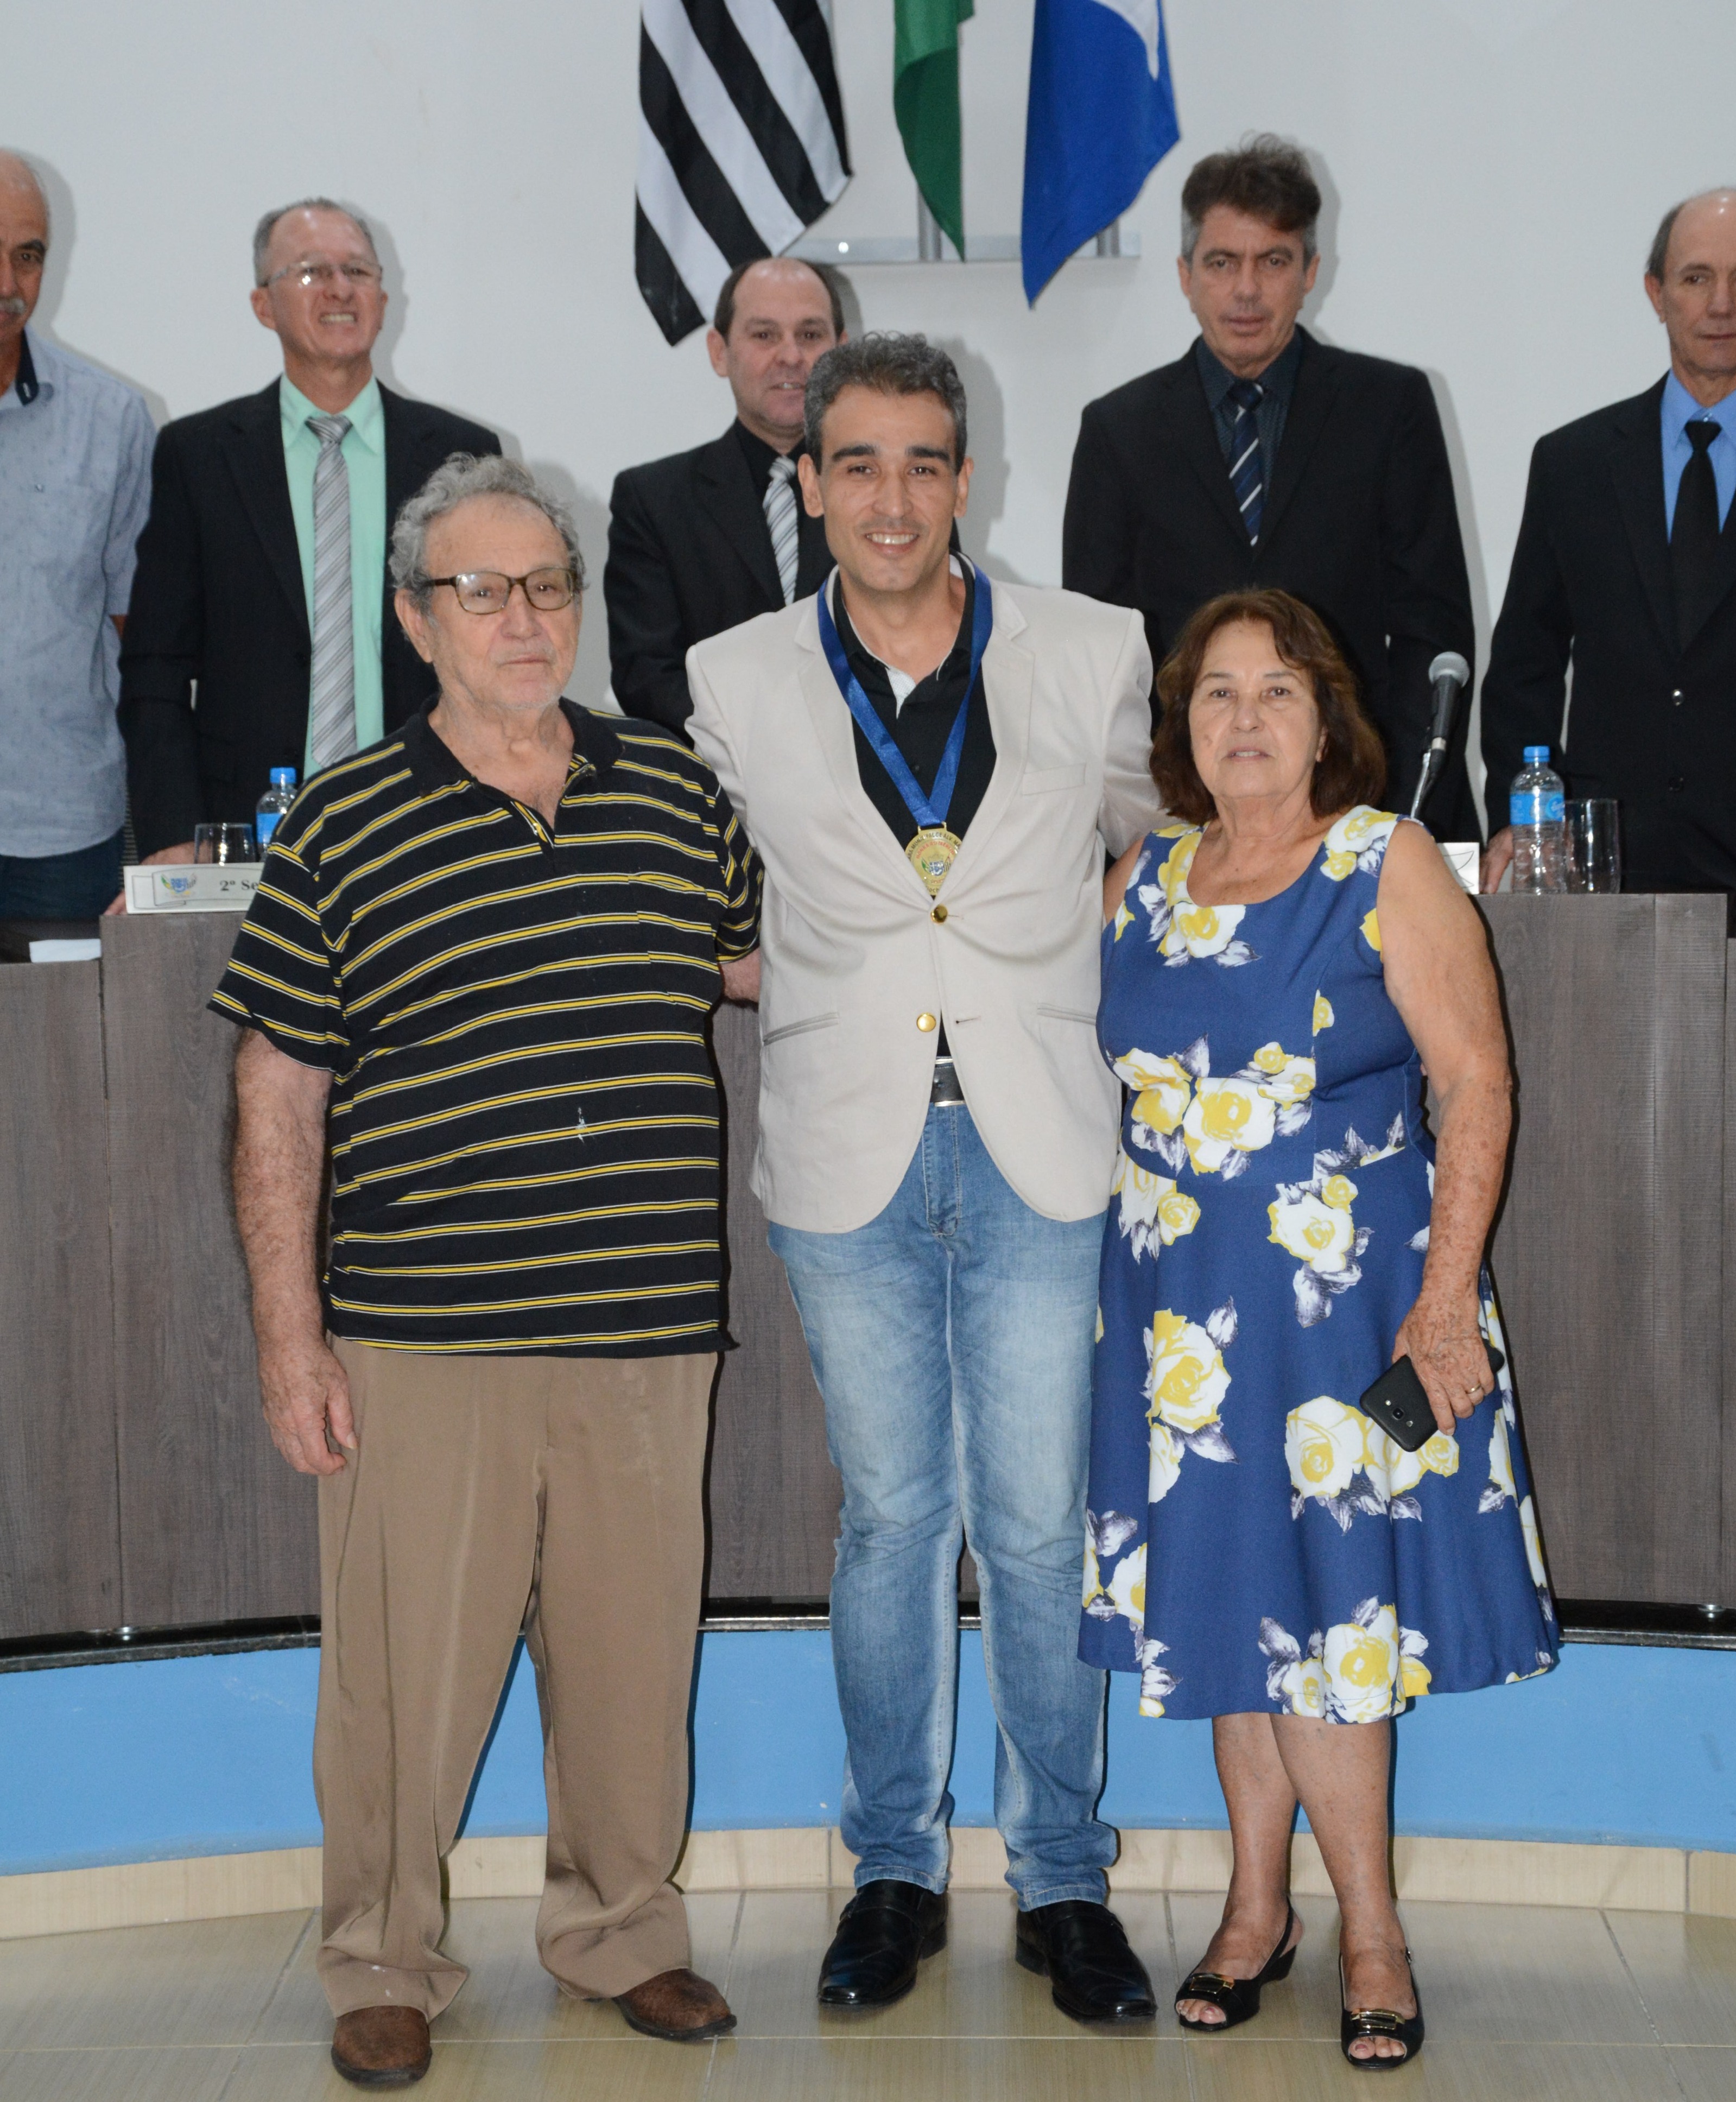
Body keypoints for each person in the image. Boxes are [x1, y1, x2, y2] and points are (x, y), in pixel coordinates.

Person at [210, 455, 756, 2087]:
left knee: (630, 1665)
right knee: (399, 1682)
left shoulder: (674, 792)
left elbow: (767, 970)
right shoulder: (343, 823)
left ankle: (623, 1935)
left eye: (547, 585)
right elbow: (276, 1092)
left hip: (645, 1326)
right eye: (481, 589)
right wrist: (290, 1340)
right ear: (414, 619)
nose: (522, 619)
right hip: (422, 1331)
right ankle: (380, 1957)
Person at [687, 334, 1163, 2024]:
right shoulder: (731, 675)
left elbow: (1153, 839)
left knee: (1033, 1519)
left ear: (968, 480)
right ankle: (890, 1866)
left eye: (923, 463)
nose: (891, 498)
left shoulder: (1092, 647)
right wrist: (816, 977)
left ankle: (1062, 1880)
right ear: (809, 484)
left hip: (1042, 1133)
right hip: (845, 1147)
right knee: (892, 1518)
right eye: (858, 464)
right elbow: (701, 894)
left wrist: (1042, 961)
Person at [1085, 588, 1557, 2068]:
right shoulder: (1142, 876)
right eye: (1215, 693)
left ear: (1324, 720)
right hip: (1173, 1321)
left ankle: (1369, 1931)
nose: (1242, 718)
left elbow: (1473, 1080)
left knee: (1333, 1623)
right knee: (1229, 1607)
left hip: (1347, 1318)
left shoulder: (1381, 859)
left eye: (1275, 691)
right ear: (1180, 725)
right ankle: (1252, 1908)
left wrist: (1443, 1300)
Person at [1063, 135, 1479, 841]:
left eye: (1273, 261)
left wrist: (1392, 816)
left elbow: (1430, 633)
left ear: (1310, 270)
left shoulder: (1389, 408)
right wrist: (1155, 819)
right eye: (1221, 262)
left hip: (1362, 806)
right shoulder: (1117, 431)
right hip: (1185, 819)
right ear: (1184, 274)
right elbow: (1101, 660)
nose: (1246, 290)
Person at [117, 197, 498, 873]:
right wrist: (172, 832)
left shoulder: (459, 454)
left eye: (357, 270)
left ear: (383, 298)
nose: (339, 288)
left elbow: (486, 650)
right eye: (311, 271)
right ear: (263, 305)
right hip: (246, 832)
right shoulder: (198, 456)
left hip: (428, 819)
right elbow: (155, 668)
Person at [1481, 188, 1736, 910]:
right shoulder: (1573, 464)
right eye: (1695, 278)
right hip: (1604, 872)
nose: (1721, 304)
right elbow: (1524, 668)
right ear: (1655, 294)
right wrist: (1521, 821)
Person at [0, 150, 154, 920]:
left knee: (64, 1011)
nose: (7, 283)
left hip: (61, 840)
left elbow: (140, 637)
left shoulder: (111, 419)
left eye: (27, 257)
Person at [606, 255, 846, 732]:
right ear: (720, 352)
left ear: (841, 352)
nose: (791, 356)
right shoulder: (653, 502)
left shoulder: (893, 493)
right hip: (713, 773)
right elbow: (646, 677)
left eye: (810, 334)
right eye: (764, 335)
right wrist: (753, 750)